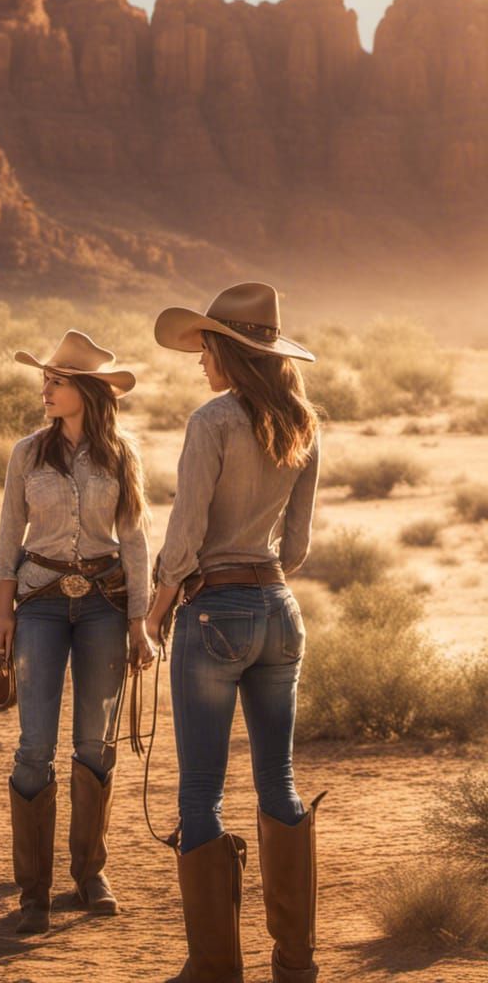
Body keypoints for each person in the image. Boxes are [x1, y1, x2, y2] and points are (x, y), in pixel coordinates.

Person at [148, 282, 322, 983]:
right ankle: (297, 963)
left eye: (205, 348)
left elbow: (185, 532)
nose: (198, 361)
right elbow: (299, 544)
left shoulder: (213, 421)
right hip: (280, 611)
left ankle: (216, 966)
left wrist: (156, 613)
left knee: (200, 793)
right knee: (277, 780)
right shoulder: (306, 422)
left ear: (229, 351)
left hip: (213, 613)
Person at [0, 330, 153, 935]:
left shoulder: (123, 455)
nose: (45, 390)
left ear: (85, 391)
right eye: (46, 380)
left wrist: (141, 622)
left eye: (56, 382)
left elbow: (134, 538)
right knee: (34, 744)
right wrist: (2, 613)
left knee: (95, 743)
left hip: (106, 605)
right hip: (39, 602)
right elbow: (8, 534)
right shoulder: (28, 453)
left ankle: (90, 873)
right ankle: (34, 889)